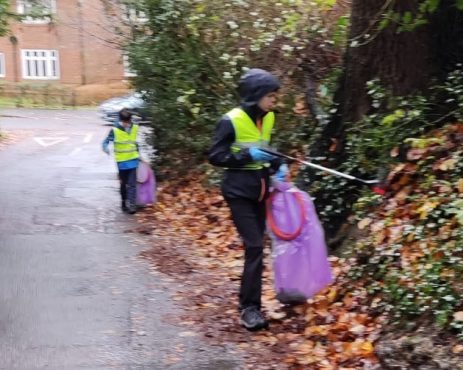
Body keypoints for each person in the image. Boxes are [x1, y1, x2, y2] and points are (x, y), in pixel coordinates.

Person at [208, 68, 288, 331]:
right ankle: (249, 308)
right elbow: (216, 157)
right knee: (254, 246)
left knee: (259, 247)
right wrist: (247, 157)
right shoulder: (230, 121)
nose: (274, 101)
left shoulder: (269, 117)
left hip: (261, 191)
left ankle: (252, 301)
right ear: (256, 96)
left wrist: (278, 163)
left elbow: (266, 148)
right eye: (271, 96)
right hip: (238, 192)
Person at [102, 108, 140, 214]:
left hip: (133, 160)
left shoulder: (135, 127)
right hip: (122, 162)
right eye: (124, 122)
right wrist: (105, 148)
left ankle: (132, 205)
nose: (126, 124)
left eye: (128, 122)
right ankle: (123, 202)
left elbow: (135, 143)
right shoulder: (115, 130)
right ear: (120, 120)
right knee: (124, 184)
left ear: (130, 119)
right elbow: (105, 141)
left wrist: (139, 155)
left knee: (132, 184)